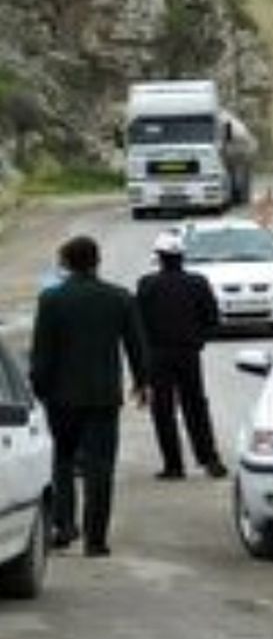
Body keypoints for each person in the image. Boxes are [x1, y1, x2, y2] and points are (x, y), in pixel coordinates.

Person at [30, 236, 150, 557]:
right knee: (101, 468)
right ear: (97, 261)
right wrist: (142, 382)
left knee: (63, 462)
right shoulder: (119, 298)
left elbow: (43, 353)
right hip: (103, 397)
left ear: (66, 263)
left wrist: (38, 389)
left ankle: (64, 525)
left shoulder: (52, 300)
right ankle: (96, 540)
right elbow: (136, 345)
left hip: (61, 397)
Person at [136, 232, 227, 481]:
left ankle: (173, 465)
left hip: (158, 355)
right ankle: (210, 459)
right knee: (196, 406)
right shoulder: (198, 283)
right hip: (188, 353)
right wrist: (198, 341)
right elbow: (212, 320)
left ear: (159, 257)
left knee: (163, 410)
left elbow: (139, 324)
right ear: (181, 257)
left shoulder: (147, 284)